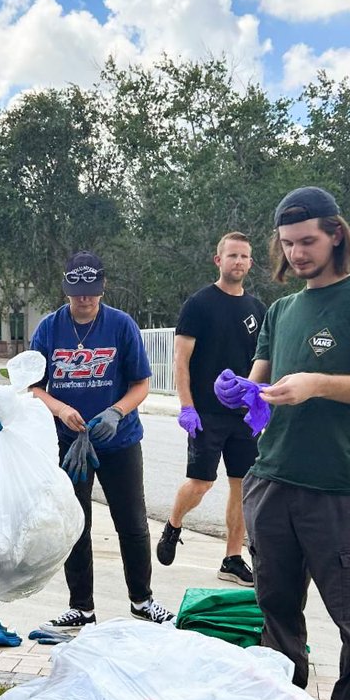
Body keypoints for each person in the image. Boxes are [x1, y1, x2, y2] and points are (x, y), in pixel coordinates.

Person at [223, 187, 350, 700]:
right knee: (276, 612)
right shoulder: (281, 311)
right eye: (287, 244)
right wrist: (237, 389)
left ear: (335, 235)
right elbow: (258, 386)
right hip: (271, 480)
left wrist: (316, 384)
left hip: (337, 490)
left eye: (307, 241)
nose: (297, 253)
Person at [29, 250, 173, 630]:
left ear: (102, 287)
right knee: (77, 523)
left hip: (119, 441)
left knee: (133, 523)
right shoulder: (48, 329)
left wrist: (117, 411)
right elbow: (32, 387)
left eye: (91, 291)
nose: (85, 299)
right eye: (77, 292)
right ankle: (82, 607)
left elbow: (141, 384)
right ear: (66, 290)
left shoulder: (121, 326)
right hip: (69, 445)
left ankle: (142, 601)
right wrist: (59, 409)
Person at [156, 233, 266, 584]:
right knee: (201, 483)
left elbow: (264, 360)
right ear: (218, 260)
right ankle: (173, 525)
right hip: (206, 412)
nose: (238, 261)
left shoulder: (257, 309)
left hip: (244, 417)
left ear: (251, 262)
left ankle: (232, 558)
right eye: (232, 255)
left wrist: (260, 399)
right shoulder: (199, 304)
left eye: (244, 256)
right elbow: (181, 361)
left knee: (243, 486)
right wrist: (187, 407)